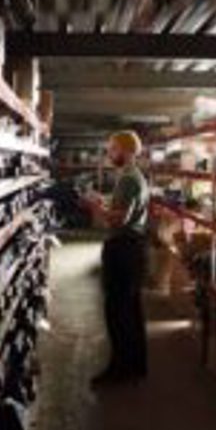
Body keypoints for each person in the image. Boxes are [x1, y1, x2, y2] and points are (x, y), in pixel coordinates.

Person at [82, 130, 149, 385]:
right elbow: (122, 208)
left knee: (117, 311)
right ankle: (136, 365)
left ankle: (119, 369)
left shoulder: (129, 179)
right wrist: (105, 200)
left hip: (123, 248)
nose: (109, 153)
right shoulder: (133, 177)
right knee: (131, 310)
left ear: (126, 150)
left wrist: (94, 206)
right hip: (133, 247)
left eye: (112, 149)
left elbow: (117, 219)